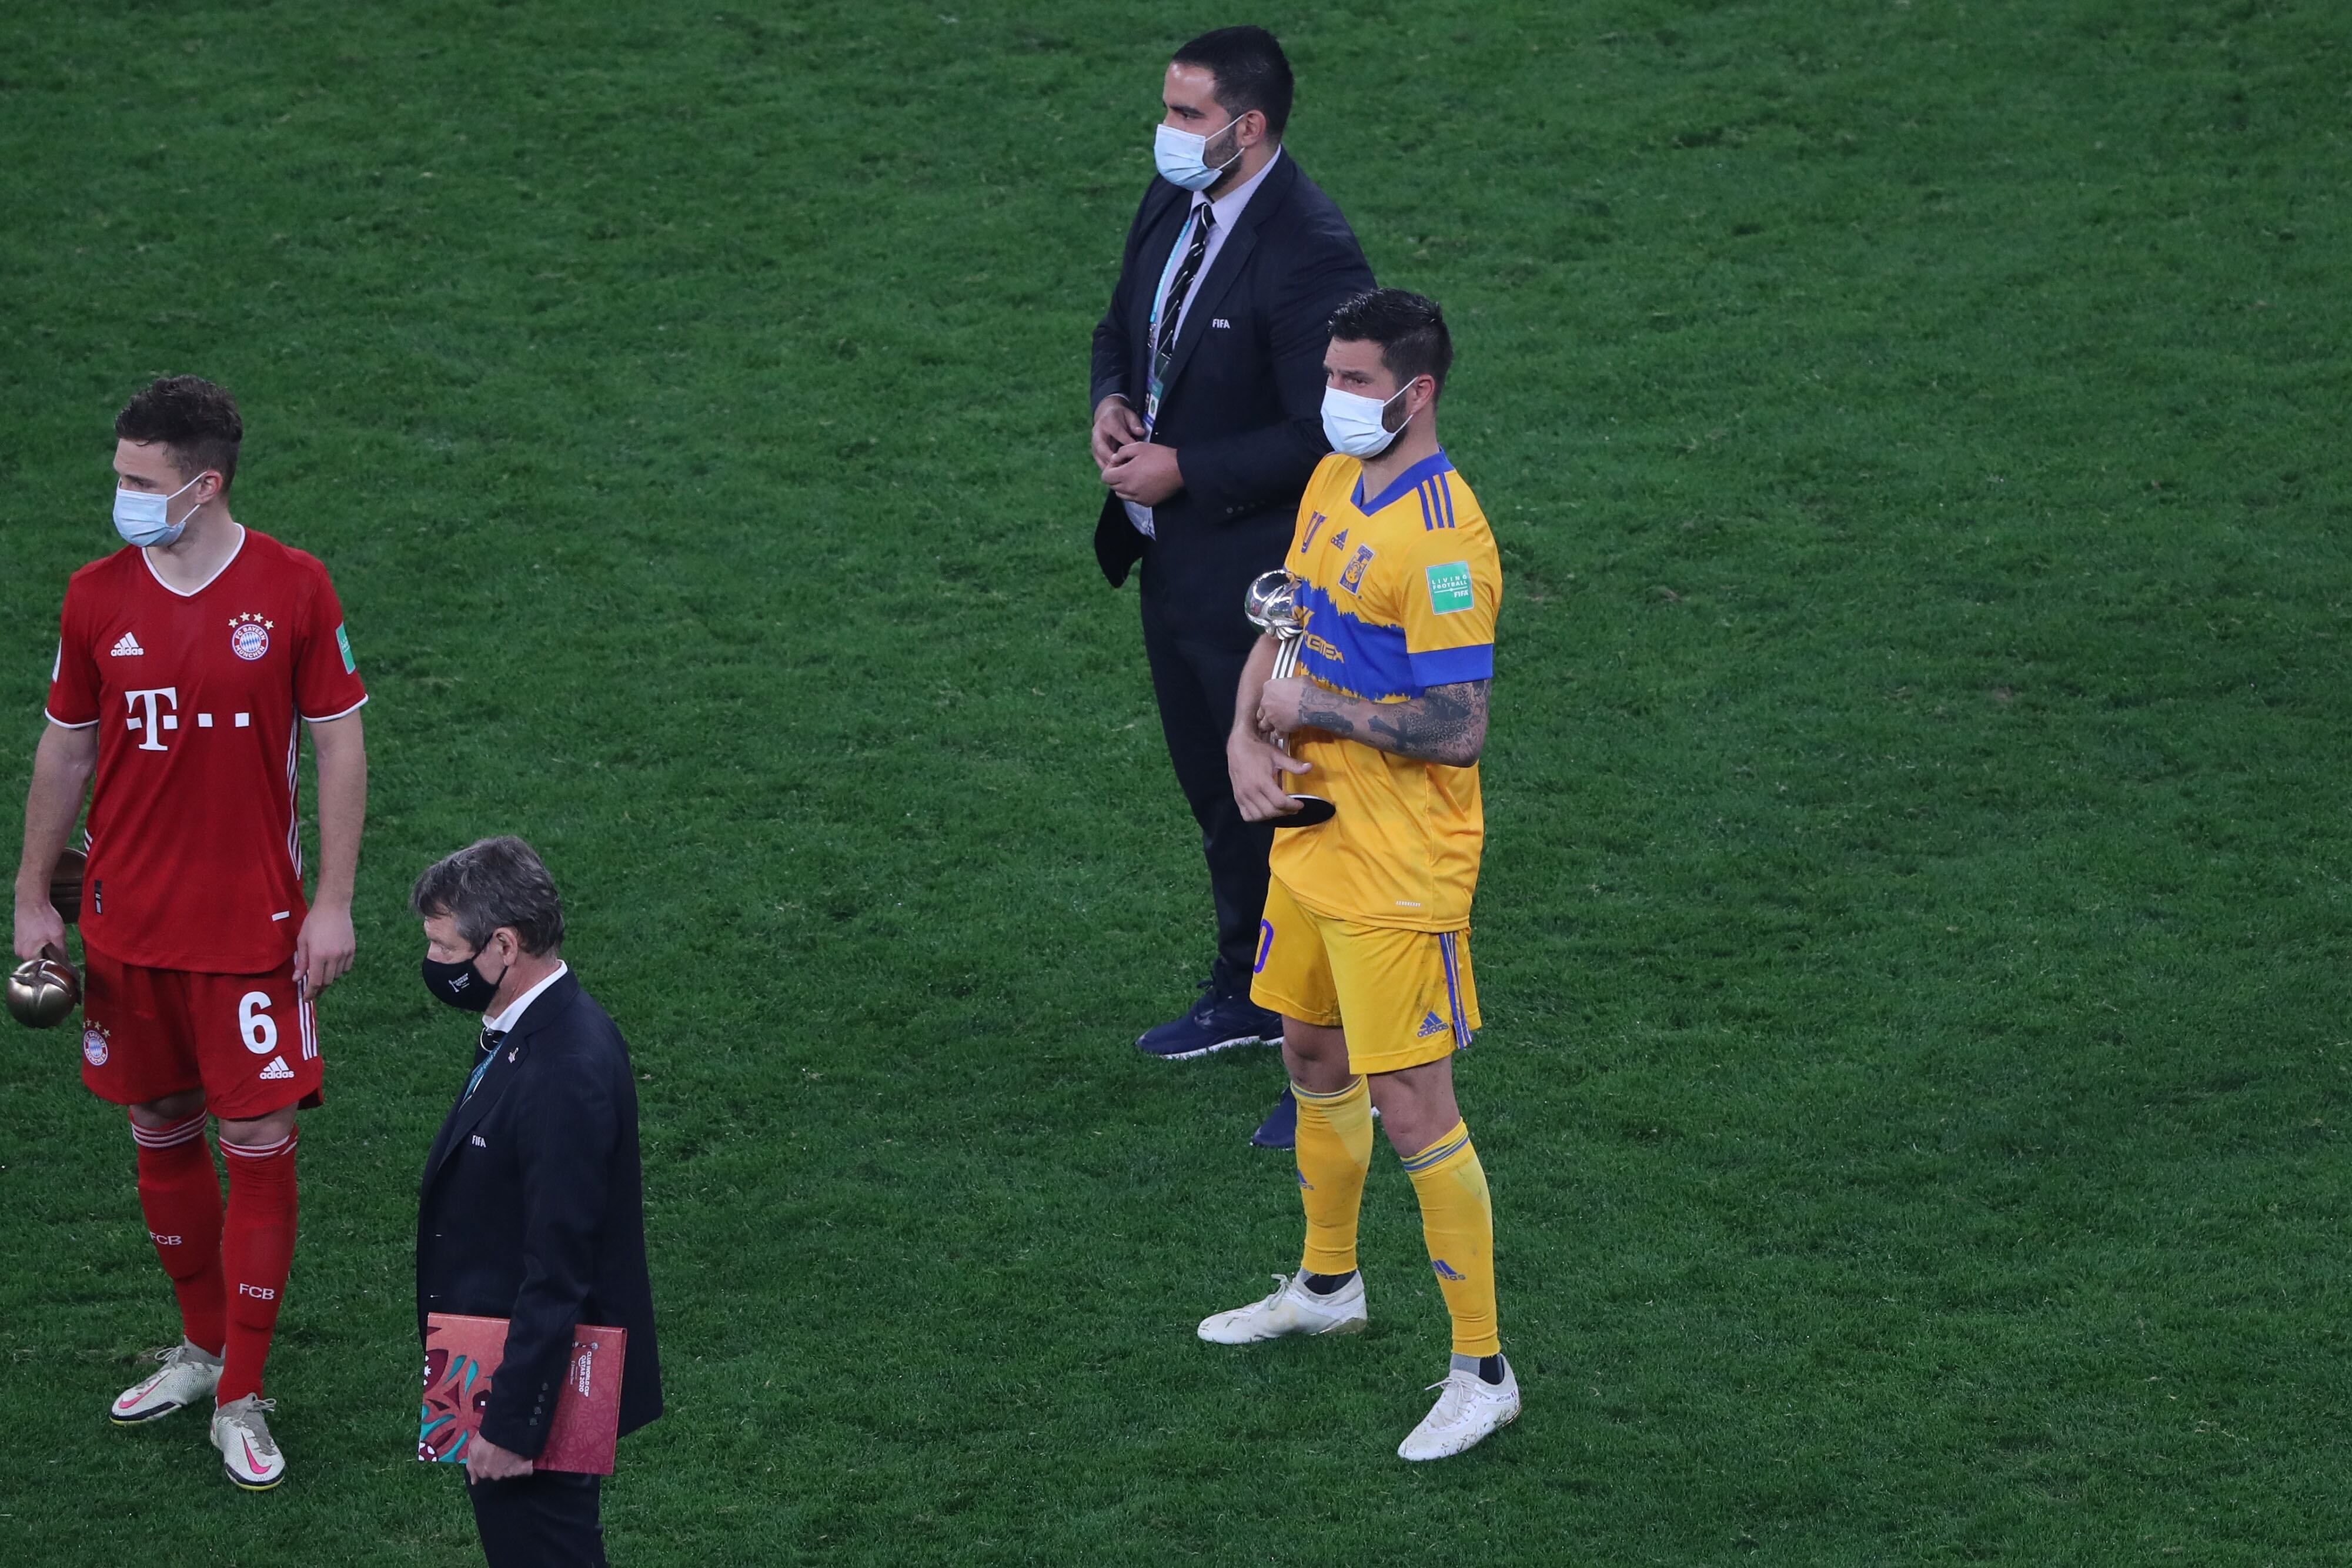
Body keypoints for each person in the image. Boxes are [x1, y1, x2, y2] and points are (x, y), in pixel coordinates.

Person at [11, 376, 369, 1489]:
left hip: (254, 932)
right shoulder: (93, 596)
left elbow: (341, 747)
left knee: (256, 1143)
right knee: (160, 1126)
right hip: (124, 928)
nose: (117, 495)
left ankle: (244, 1390)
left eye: (136, 480)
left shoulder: (295, 587)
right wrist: (31, 892)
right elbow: (66, 749)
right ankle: (202, 1349)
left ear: (203, 485)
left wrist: (333, 902)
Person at [1200, 290, 1518, 1460]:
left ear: (1414, 390)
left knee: (1413, 1106)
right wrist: (1245, 732)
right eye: (1328, 372)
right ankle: (1327, 1285)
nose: (1329, 394)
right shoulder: (1337, 483)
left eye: (1349, 377)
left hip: (1399, 866)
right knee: (1308, 1054)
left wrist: (1312, 707)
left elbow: (1457, 723)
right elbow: (1283, 618)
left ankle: (1481, 1368)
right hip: (1310, 832)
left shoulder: (1445, 539)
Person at [1088, 25, 1376, 1145]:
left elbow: (1329, 429)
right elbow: (1125, 324)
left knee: (1293, 805)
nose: (1168, 134)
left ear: (1247, 128)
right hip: (1174, 554)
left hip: (1262, 575)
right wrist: (1114, 402)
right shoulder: (1176, 203)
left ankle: (1331, 1055)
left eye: (1188, 115)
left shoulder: (1312, 252)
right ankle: (1250, 994)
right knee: (1219, 793)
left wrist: (1188, 468)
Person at [413, 837, 661, 1568]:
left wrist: (512, 1422)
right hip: (494, 1364)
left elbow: (559, 1266)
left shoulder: (563, 1068)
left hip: (527, 1390)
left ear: (503, 944)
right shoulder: (527, 1032)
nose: (433, 963)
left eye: (442, 945)